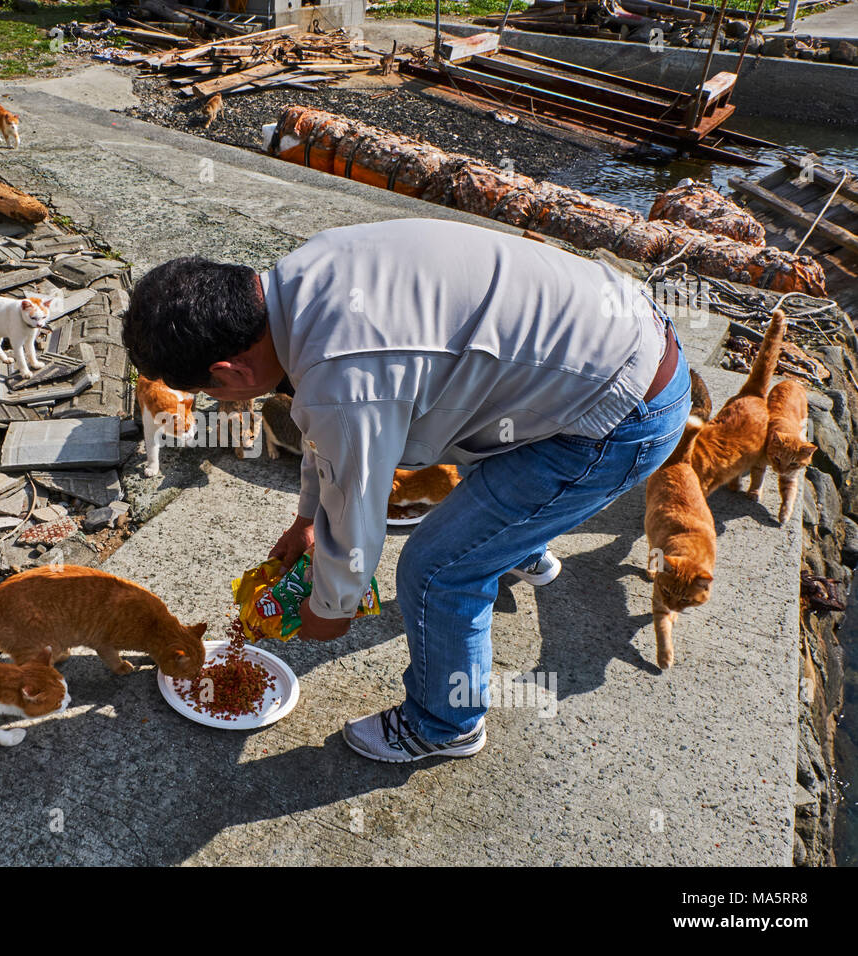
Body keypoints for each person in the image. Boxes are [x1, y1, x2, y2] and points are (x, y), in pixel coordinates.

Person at [121, 219, 691, 762]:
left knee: (439, 569)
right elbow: (333, 435)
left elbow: (357, 493)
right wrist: (306, 518)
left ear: (231, 373)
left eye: (213, 395)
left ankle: (445, 725)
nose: (225, 406)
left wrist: (331, 606)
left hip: (617, 414)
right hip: (608, 339)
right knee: (482, 495)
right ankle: (521, 544)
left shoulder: (344, 374)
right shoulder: (302, 277)